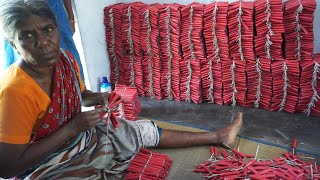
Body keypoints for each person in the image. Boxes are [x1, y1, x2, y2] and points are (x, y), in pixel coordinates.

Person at [0, 0, 243, 179]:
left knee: (142, 130)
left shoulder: (64, 59)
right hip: (45, 163)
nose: (42, 42)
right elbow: (9, 167)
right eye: (27, 36)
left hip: (80, 138)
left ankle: (218, 137)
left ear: (57, 27)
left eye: (47, 29)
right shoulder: (14, 91)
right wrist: (74, 127)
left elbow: (80, 95)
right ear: (13, 43)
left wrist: (102, 97)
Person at [0, 0, 85, 81]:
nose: (42, 42)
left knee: (66, 65)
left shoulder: (68, 59)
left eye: (48, 30)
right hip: (15, 12)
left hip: (52, 7)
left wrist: (71, 17)